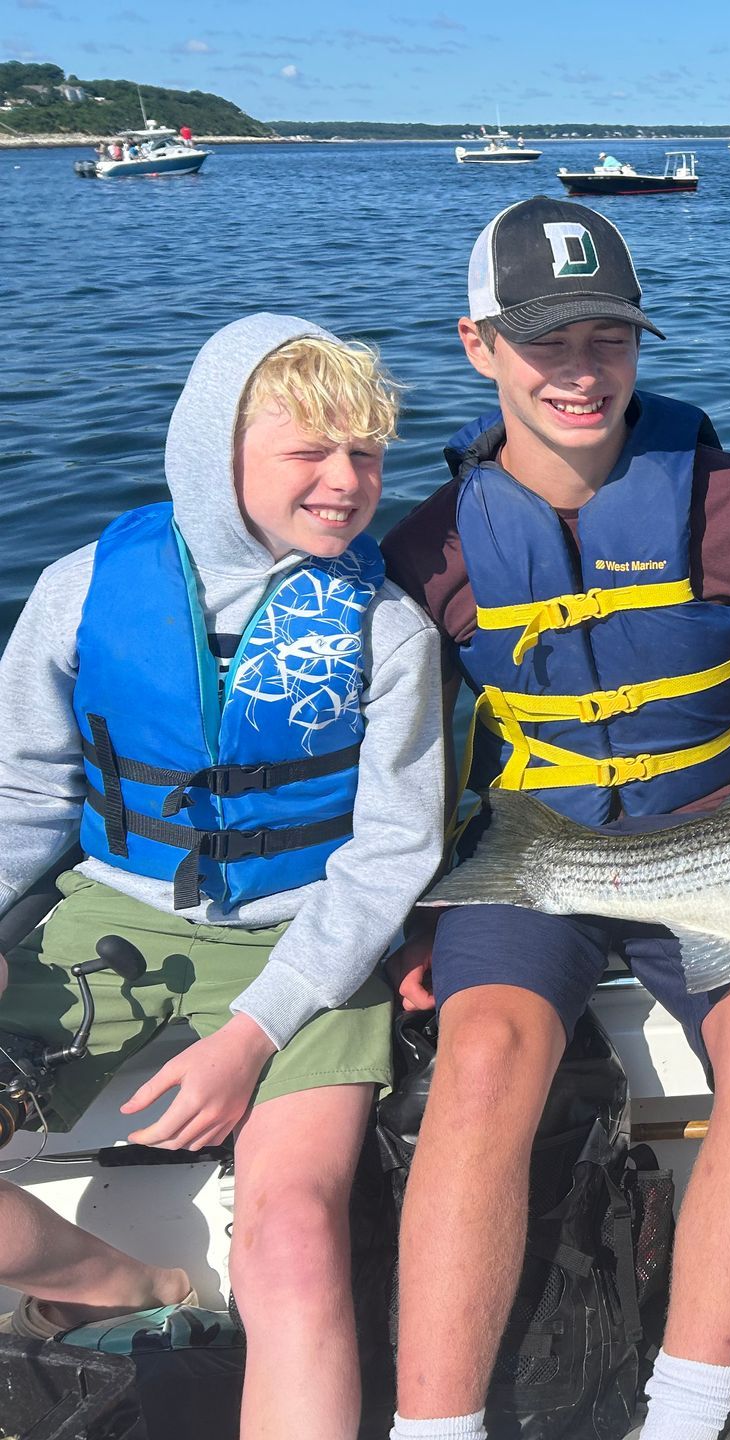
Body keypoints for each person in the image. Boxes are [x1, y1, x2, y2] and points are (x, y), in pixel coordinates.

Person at [379, 197, 730, 1440]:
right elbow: (410, 757)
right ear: (478, 345)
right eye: (546, 342)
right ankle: (437, 1426)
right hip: (533, 845)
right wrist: (413, 923)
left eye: (608, 338)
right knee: (482, 1059)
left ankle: (687, 1411)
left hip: (729, 843)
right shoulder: (429, 548)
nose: (580, 373)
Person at [0, 315, 445, 1440]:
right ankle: (129, 1284)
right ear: (219, 452)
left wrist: (253, 1034)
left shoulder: (387, 630)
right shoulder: (80, 589)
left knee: (293, 1236)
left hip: (308, 946)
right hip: (111, 914)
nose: (347, 483)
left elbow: (393, 851)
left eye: (368, 455)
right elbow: (24, 794)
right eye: (311, 452)